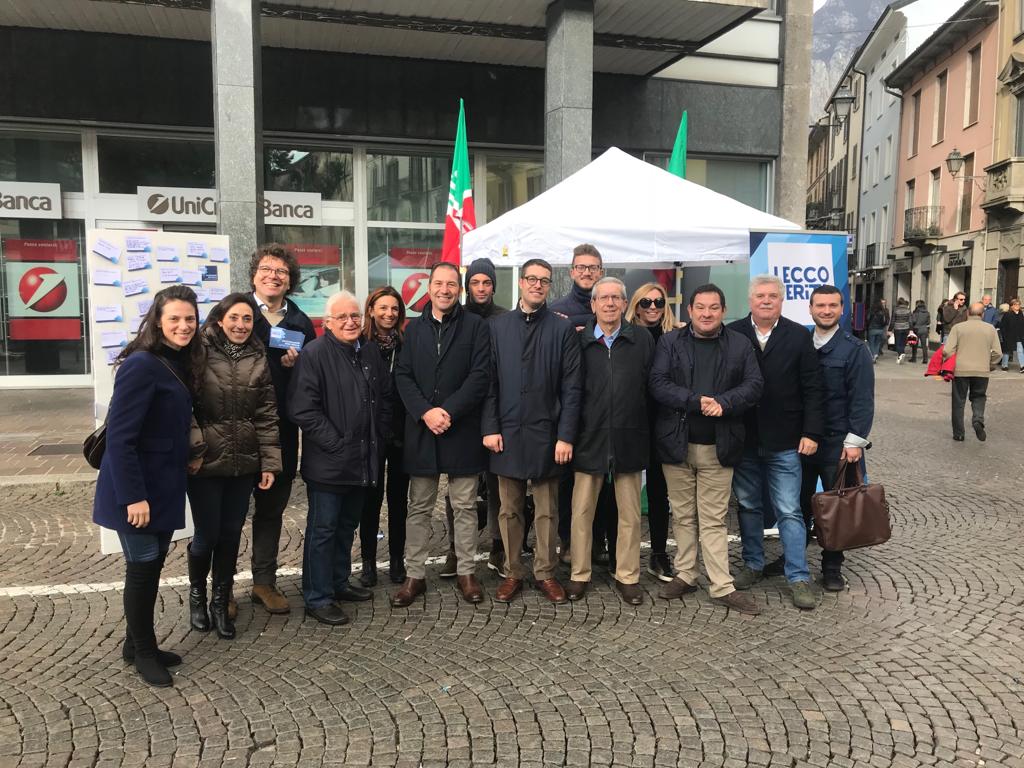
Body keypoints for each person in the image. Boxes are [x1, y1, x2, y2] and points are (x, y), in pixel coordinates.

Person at [92, 285, 203, 687]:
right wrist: (133, 497)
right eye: (174, 318)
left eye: (189, 318)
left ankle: (133, 643)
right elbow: (120, 440)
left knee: (153, 565)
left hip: (164, 484)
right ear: (158, 320)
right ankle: (143, 651)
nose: (183, 325)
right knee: (141, 569)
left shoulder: (176, 361)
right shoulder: (142, 364)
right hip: (136, 490)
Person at [649, 284, 763, 614]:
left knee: (713, 519)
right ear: (690, 310)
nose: (706, 313)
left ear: (723, 311)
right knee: (683, 515)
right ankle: (686, 574)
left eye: (714, 307)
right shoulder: (670, 342)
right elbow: (657, 383)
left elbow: (755, 385)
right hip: (677, 444)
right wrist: (694, 402)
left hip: (719, 446)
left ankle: (721, 585)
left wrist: (725, 404)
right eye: (700, 307)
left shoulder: (740, 344)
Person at [288, 291, 392, 625]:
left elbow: (381, 398)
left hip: (361, 461)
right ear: (327, 323)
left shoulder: (369, 352)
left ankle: (337, 582)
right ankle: (317, 597)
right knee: (323, 530)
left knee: (346, 526)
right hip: (330, 463)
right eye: (342, 318)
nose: (351, 322)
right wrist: (337, 443)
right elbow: (303, 409)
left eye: (355, 317)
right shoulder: (314, 354)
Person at [483, 258, 582, 604]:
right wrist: (490, 427)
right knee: (509, 509)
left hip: (548, 433)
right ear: (521, 283)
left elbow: (572, 388)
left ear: (548, 286)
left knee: (547, 510)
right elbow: (489, 383)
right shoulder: (497, 327)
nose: (538, 285)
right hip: (506, 433)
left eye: (544, 280)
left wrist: (566, 435)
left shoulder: (562, 329)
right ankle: (512, 571)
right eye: (532, 279)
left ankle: (545, 571)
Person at [392, 262, 491, 607]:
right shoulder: (414, 328)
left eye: (452, 284)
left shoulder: (476, 327)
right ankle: (414, 575)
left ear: (459, 290)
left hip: (461, 429)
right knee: (418, 507)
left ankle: (467, 571)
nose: (445, 290)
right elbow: (403, 376)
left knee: (464, 506)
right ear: (429, 287)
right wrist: (425, 412)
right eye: (439, 283)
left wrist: (448, 411)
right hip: (423, 431)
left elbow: (480, 376)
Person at [187, 293, 281, 640]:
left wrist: (269, 462)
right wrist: (194, 450)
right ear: (219, 319)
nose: (241, 325)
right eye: (235, 318)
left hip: (244, 461)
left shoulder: (258, 356)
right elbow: (186, 407)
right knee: (206, 535)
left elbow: (266, 413)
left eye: (247, 319)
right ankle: (197, 595)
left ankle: (219, 601)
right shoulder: (197, 350)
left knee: (229, 535)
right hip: (206, 461)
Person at [727, 275, 824, 611]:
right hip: (745, 438)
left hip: (786, 439)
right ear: (750, 300)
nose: (766, 301)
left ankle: (798, 576)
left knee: (789, 510)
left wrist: (811, 433)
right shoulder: (733, 332)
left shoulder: (798, 335)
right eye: (760, 296)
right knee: (749, 505)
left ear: (781, 301)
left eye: (772, 296)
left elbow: (813, 388)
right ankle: (753, 564)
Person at [566, 277, 655, 605]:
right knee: (582, 513)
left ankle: (628, 575)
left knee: (630, 515)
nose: (609, 303)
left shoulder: (642, 340)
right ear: (593, 305)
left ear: (624, 303)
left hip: (630, 438)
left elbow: (651, 388)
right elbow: (570, 392)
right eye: (603, 298)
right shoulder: (579, 341)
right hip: (588, 438)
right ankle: (579, 573)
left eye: (616, 298)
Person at [248, 245, 317, 616]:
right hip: (237, 429)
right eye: (267, 269)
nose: (274, 275)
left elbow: (309, 381)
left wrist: (297, 367)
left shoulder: (301, 322)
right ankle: (221, 587)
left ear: (291, 280)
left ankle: (264, 581)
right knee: (227, 514)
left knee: (271, 511)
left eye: (282, 271)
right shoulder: (235, 312)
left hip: (282, 430)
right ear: (254, 274)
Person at [800, 286, 874, 591]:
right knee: (798, 504)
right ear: (811, 308)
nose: (826, 310)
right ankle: (796, 560)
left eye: (832, 305)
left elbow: (862, 398)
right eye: (821, 305)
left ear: (842, 310)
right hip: (803, 441)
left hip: (838, 444)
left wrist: (854, 442)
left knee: (837, 507)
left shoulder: (854, 349)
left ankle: (832, 566)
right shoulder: (800, 342)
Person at [440, 257, 509, 579]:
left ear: (494, 286)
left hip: (498, 412)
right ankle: (456, 549)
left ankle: (499, 543)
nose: (481, 288)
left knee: (499, 484)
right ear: (468, 286)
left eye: (487, 283)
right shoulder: (459, 317)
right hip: (465, 413)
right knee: (460, 487)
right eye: (476, 283)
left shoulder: (504, 319)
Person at [549, 244, 614, 565]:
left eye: (593, 267)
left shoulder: (611, 306)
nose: (587, 272)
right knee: (566, 483)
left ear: (601, 271)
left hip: (603, 411)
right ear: (572, 271)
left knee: (601, 481)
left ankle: (599, 540)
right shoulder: (557, 310)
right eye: (582, 267)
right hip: (567, 410)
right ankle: (568, 541)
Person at [358, 286, 409, 587]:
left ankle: (397, 560)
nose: (389, 314)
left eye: (394, 309)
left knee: (399, 501)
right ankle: (367, 562)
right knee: (370, 501)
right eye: (383, 308)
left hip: (401, 433)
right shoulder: (360, 345)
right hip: (371, 433)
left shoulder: (405, 344)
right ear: (371, 310)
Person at [625, 282, 676, 582]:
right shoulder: (626, 334)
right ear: (636, 304)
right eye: (646, 302)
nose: (653, 307)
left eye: (659, 302)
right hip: (631, 423)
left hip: (663, 425)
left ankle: (658, 554)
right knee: (621, 492)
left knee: (659, 492)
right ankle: (619, 552)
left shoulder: (675, 336)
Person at [943, 302, 1002, 442]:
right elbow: (998, 353)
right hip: (982, 370)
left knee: (958, 401)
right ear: (982, 314)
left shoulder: (958, 328)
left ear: (968, 313)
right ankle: (977, 419)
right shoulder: (990, 329)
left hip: (961, 370)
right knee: (979, 396)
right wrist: (989, 364)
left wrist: (954, 360)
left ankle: (959, 433)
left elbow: (947, 350)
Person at [998, 298, 1024, 373]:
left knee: (1020, 350)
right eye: (1015, 304)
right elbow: (1003, 326)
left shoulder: (1021, 314)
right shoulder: (1007, 314)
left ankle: (1022, 366)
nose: (1017, 306)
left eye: (1018, 304)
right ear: (1011, 306)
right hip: (1009, 335)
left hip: (1019, 336)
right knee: (1007, 351)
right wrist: (1004, 335)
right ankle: (1004, 365)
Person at [889, 297, 912, 364]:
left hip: (897, 328)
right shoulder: (908, 310)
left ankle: (900, 354)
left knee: (898, 343)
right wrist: (911, 329)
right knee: (903, 342)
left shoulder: (895, 310)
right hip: (906, 328)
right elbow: (910, 320)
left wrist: (890, 329)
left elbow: (893, 320)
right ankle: (902, 353)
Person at [909, 299, 931, 364]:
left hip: (916, 329)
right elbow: (928, 322)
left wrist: (911, 328)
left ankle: (914, 358)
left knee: (914, 344)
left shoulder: (916, 312)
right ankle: (925, 359)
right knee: (924, 345)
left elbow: (913, 321)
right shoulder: (927, 313)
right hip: (924, 329)